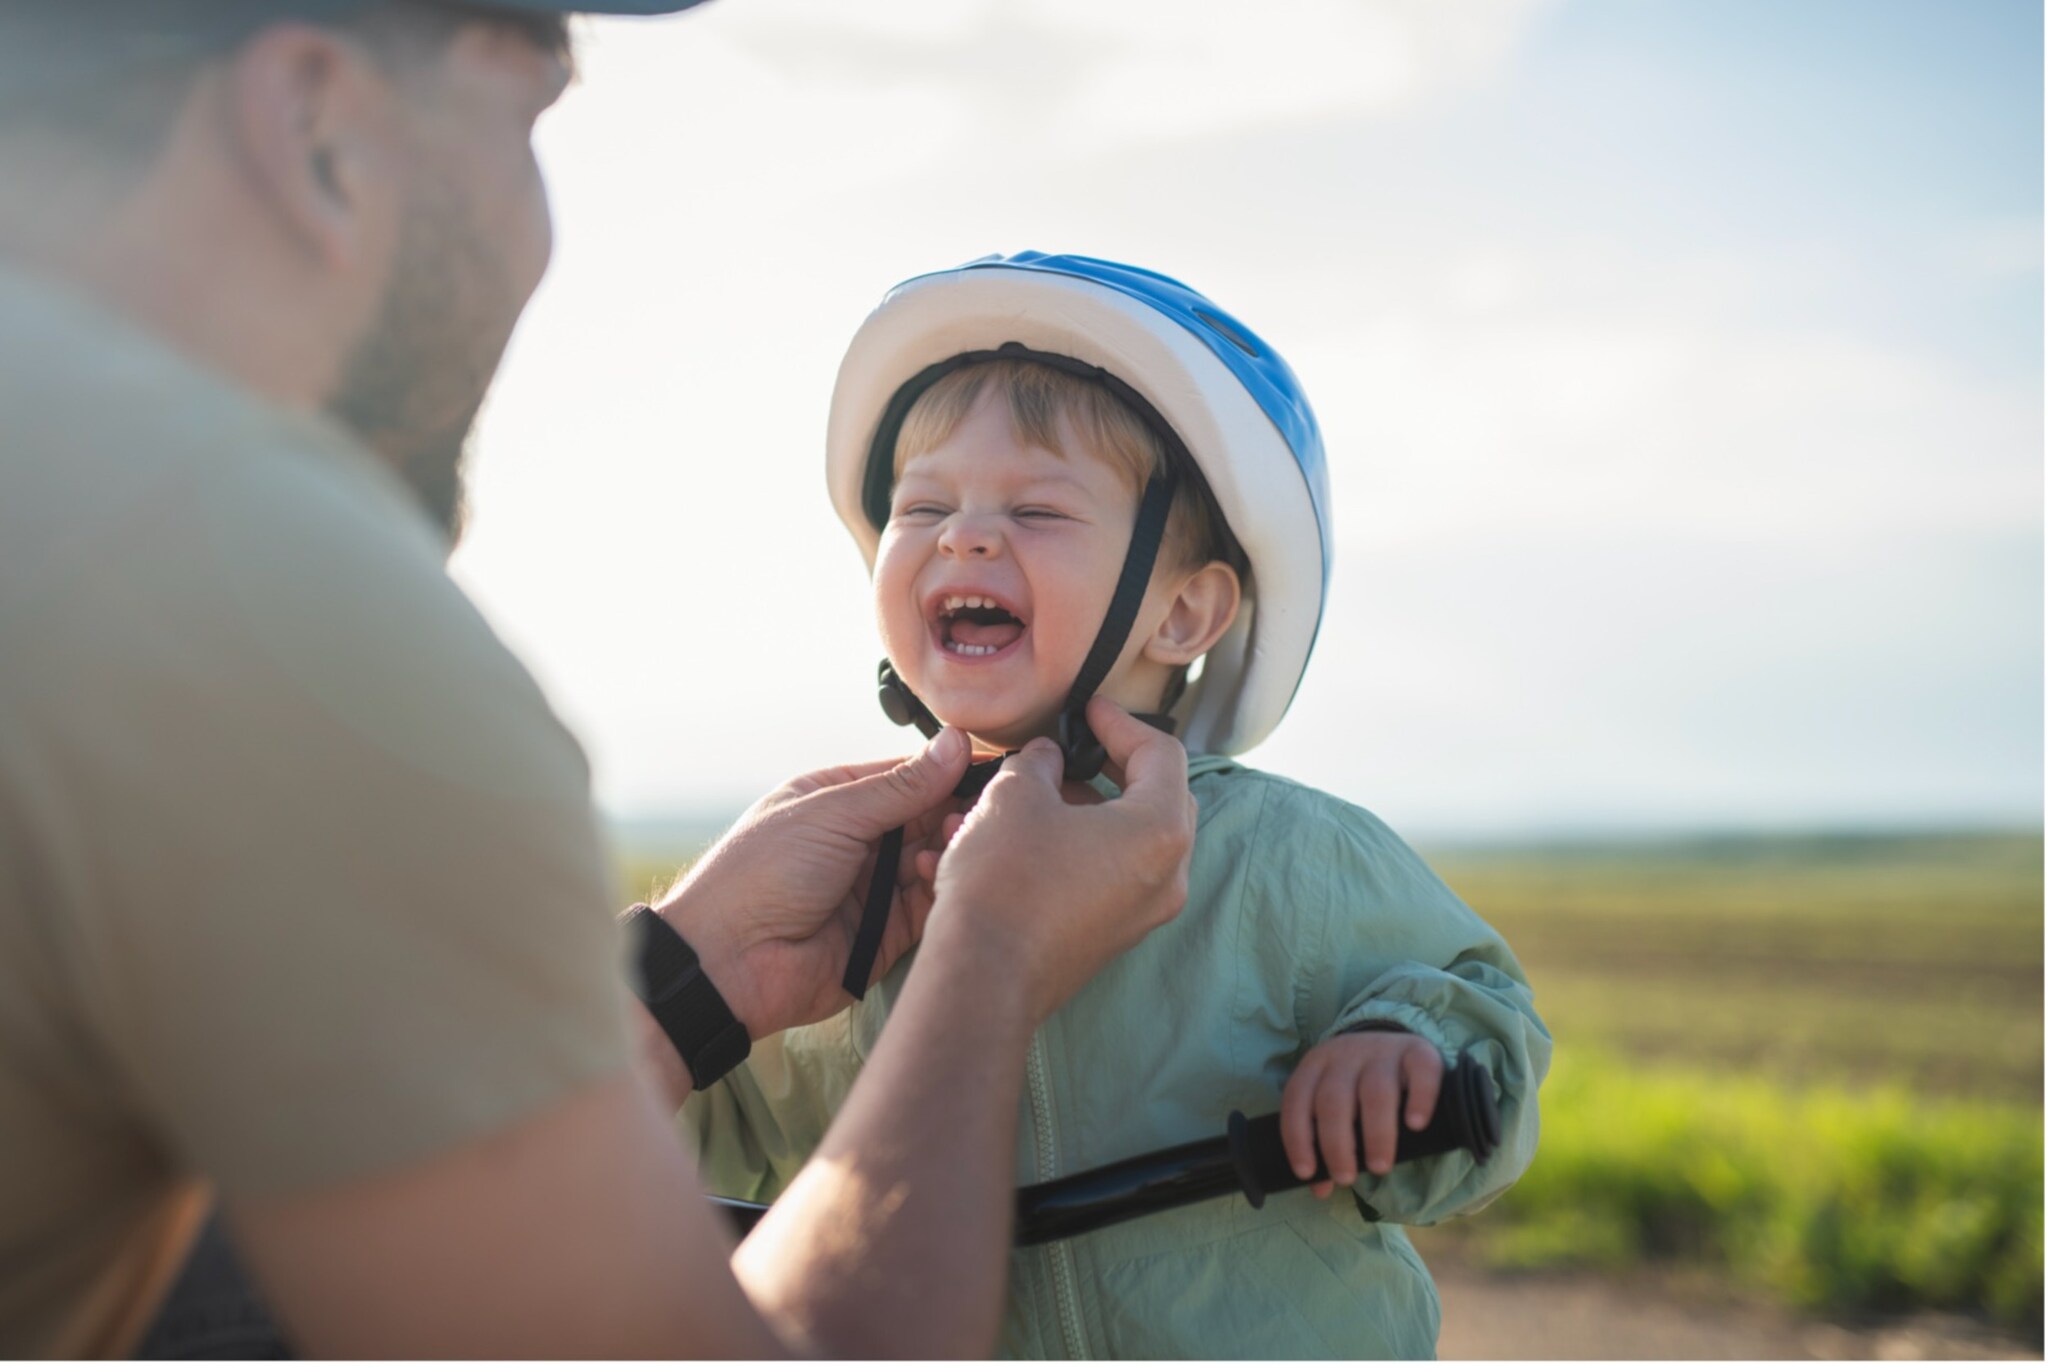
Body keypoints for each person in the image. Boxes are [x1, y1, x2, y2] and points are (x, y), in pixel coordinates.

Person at [0, 7, 1200, 1359]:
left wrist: (690, 977)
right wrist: (990, 958)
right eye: (530, 125)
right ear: (319, 131)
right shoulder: (246, 584)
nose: (544, 233)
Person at [681, 253, 1555, 1358]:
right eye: (925, 505)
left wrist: (1404, 1046)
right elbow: (672, 1141)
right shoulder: (849, 885)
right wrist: (673, 973)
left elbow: (1482, 1014)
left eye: (1037, 508)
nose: (965, 535)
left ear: (1185, 612)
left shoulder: (1284, 856)